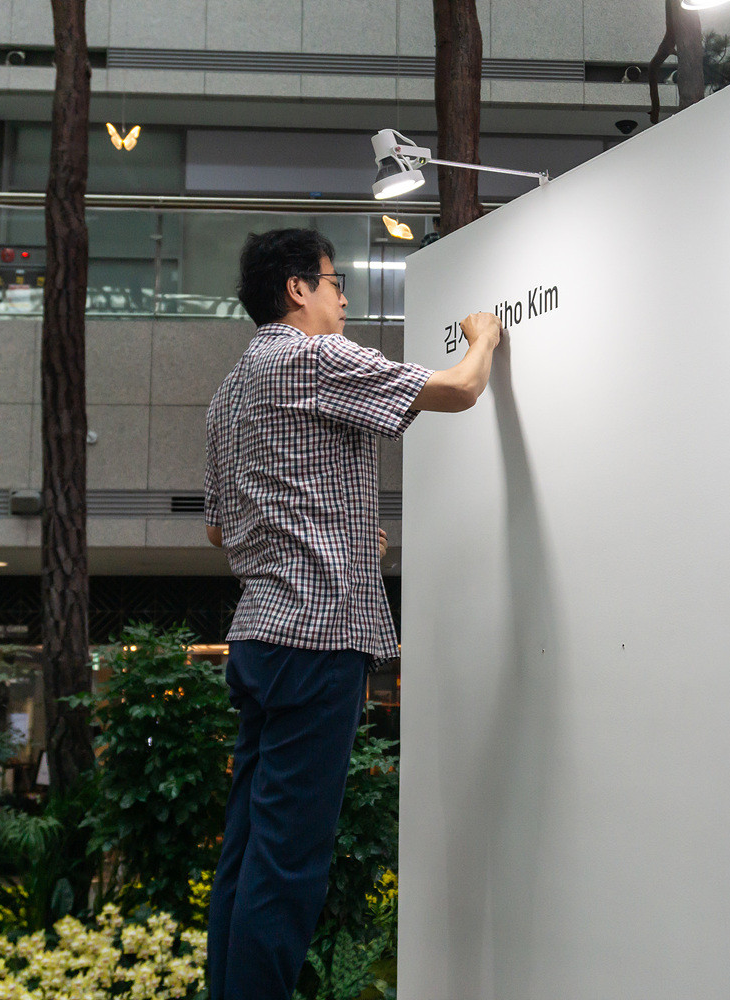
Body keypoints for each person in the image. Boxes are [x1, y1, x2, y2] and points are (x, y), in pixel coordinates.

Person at [202, 228, 501, 1000]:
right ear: (297, 289)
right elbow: (459, 389)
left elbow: (219, 528)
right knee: (289, 863)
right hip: (319, 638)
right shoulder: (312, 357)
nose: (343, 299)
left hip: (260, 636)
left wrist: (332, 534)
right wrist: (484, 335)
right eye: (336, 283)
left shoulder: (229, 391)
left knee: (246, 851)